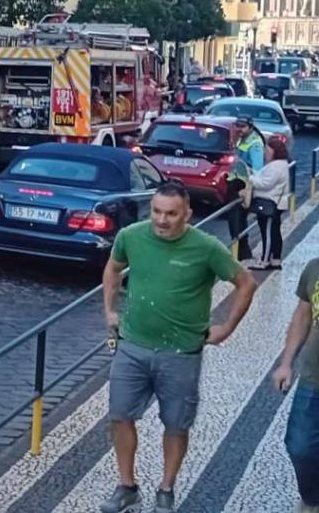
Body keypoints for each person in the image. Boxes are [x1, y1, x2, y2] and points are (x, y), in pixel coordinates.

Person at [100, 181, 257, 513]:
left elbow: (245, 283)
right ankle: (127, 486)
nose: (162, 220)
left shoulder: (207, 247)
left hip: (181, 354)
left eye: (171, 214)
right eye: (156, 211)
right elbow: (113, 269)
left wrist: (226, 328)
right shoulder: (131, 236)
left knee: (176, 424)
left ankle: (166, 489)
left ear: (187, 214)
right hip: (132, 347)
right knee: (119, 416)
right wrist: (110, 311)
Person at [271, 255, 319, 513]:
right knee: (299, 447)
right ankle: (312, 498)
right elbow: (302, 316)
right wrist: (286, 363)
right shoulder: (314, 268)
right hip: (313, 378)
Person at [248, 135, 290, 270]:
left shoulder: (275, 166)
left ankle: (264, 261)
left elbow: (265, 183)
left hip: (270, 203)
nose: (265, 153)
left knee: (268, 233)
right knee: (274, 232)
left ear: (274, 151)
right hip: (276, 203)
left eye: (267, 150)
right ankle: (275, 260)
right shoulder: (281, 164)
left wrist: (250, 178)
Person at [228, 116, 265, 264]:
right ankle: (241, 252)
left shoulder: (255, 144)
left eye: (242, 126)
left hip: (243, 187)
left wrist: (247, 190)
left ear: (250, 127)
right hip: (235, 183)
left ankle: (241, 253)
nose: (239, 129)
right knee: (235, 221)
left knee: (237, 221)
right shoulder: (242, 139)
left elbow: (257, 170)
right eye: (238, 125)